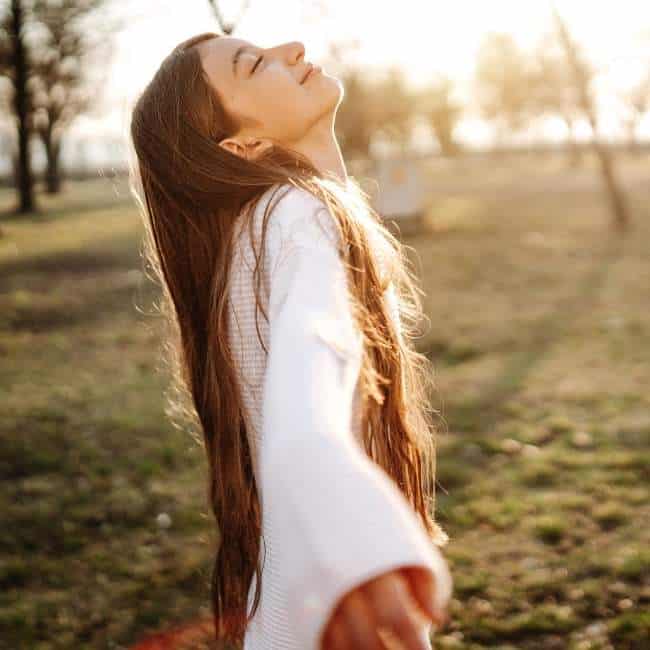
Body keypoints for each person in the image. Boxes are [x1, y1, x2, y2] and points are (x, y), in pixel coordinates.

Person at [128, 31, 453, 650]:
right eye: (255, 64)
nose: (295, 48)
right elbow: (311, 361)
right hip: (328, 606)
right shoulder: (295, 215)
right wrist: (347, 526)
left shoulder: (263, 225)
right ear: (244, 145)